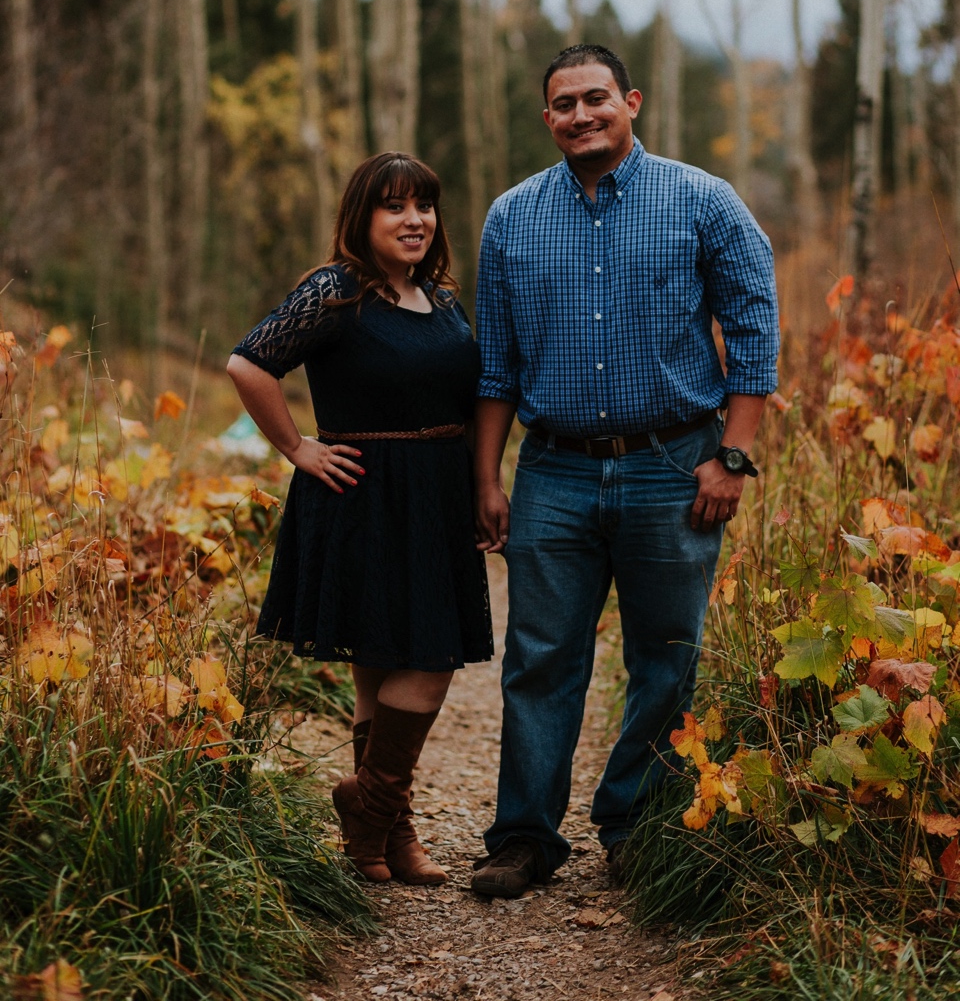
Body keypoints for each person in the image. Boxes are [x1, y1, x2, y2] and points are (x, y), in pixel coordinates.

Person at [469, 44, 779, 899]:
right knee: (539, 658)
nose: (581, 115)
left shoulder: (704, 202)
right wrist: (487, 479)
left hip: (676, 467)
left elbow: (756, 331)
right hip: (556, 472)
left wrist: (732, 457)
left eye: (596, 98)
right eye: (564, 104)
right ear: (548, 120)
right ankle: (524, 838)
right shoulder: (512, 218)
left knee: (666, 657)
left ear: (631, 101)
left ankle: (633, 828)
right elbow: (495, 366)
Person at [227, 152, 493, 887]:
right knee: (428, 663)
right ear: (362, 218)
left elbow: (463, 404)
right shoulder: (336, 291)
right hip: (364, 493)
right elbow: (249, 365)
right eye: (395, 207)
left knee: (382, 668)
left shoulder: (441, 299)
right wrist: (296, 447)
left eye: (425, 207)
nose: (414, 220)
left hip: (434, 494)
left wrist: (479, 487)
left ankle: (379, 838)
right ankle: (369, 803)